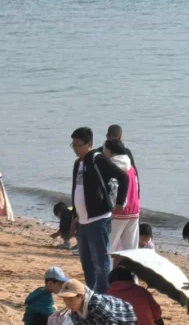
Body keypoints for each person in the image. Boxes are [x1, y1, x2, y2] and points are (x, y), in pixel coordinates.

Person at [70, 127, 129, 294]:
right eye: (73, 145)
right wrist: (74, 218)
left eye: (78, 145)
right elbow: (76, 190)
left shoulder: (97, 160)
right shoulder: (77, 163)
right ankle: (91, 295)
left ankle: (103, 296)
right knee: (86, 263)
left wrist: (120, 202)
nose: (75, 149)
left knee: (101, 263)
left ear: (89, 144)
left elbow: (123, 177)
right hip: (82, 222)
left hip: (99, 219)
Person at [105, 139, 140, 253]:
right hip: (134, 209)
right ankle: (132, 270)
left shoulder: (113, 166)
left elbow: (112, 189)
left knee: (109, 246)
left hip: (119, 210)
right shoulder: (131, 166)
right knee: (131, 249)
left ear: (109, 151)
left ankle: (108, 270)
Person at [55, 277, 138, 325]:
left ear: (81, 296)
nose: (68, 303)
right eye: (65, 300)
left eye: (70, 300)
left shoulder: (97, 305)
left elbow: (111, 322)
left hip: (125, 320)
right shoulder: (74, 312)